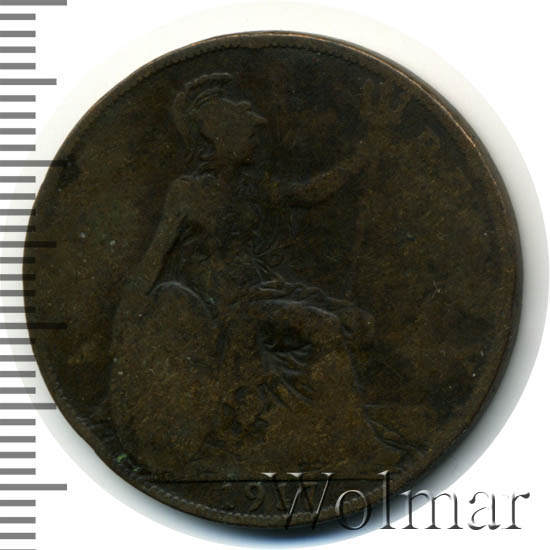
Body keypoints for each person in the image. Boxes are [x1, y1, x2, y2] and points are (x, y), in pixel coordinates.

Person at [108, 73, 405, 480]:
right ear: (218, 136)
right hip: (222, 307)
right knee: (324, 326)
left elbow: (310, 193)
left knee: (353, 320)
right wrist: (129, 315)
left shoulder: (251, 186)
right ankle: (354, 445)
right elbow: (157, 254)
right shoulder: (188, 192)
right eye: (248, 132)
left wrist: (370, 146)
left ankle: (335, 431)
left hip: (261, 291)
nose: (258, 135)